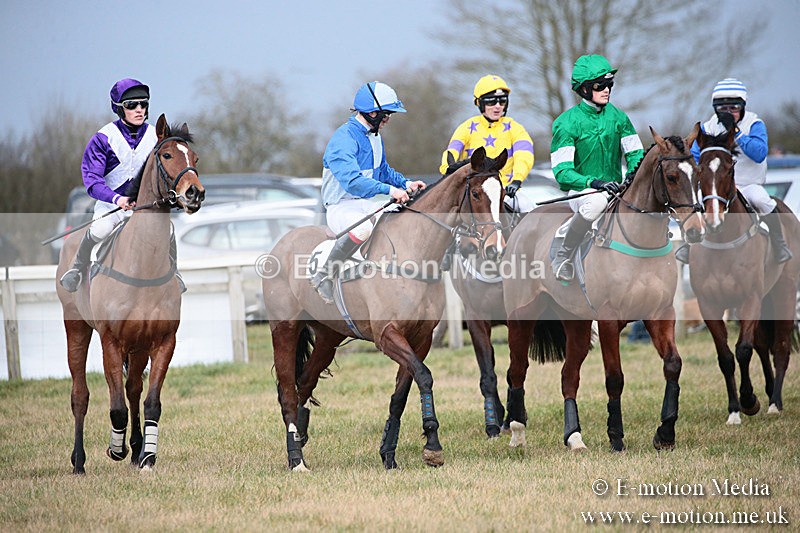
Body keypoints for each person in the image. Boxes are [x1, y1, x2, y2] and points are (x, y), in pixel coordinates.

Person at [59, 78, 185, 293]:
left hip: (145, 209)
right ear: (119, 109)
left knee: (169, 230)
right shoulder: (103, 138)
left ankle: (174, 272)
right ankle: (78, 268)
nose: (139, 110)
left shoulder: (156, 137)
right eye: (131, 105)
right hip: (112, 206)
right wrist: (117, 199)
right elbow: (92, 180)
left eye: (143, 104)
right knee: (100, 228)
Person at [311, 81, 426, 304]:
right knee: (363, 228)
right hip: (340, 205)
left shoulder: (374, 137)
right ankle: (324, 274)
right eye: (386, 114)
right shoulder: (343, 139)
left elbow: (382, 170)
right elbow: (353, 182)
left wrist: (406, 184)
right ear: (372, 112)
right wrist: (390, 190)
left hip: (365, 202)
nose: (388, 119)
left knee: (401, 217)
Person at [550, 54, 644, 282]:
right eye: (599, 85)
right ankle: (564, 253)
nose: (606, 90)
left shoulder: (619, 118)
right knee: (597, 202)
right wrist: (594, 183)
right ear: (584, 89)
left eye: (609, 85)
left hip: (616, 189)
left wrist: (632, 175)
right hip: (583, 192)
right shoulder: (566, 123)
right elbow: (562, 172)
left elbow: (636, 154)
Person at [676, 78, 790, 264]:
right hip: (716, 187)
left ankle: (779, 244)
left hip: (748, 184)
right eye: (723, 109)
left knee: (761, 200)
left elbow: (759, 153)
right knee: (694, 200)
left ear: (743, 106)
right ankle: (688, 246)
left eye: (734, 108)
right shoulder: (707, 127)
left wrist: (735, 131)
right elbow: (695, 157)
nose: (728, 112)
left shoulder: (754, 123)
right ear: (715, 109)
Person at [439, 75, 535, 212]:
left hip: (506, 191)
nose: (497, 106)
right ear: (480, 103)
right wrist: (448, 170)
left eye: (502, 101)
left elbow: (524, 156)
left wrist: (516, 180)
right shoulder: (466, 127)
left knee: (529, 209)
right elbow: (452, 151)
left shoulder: (516, 128)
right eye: (491, 102)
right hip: (473, 193)